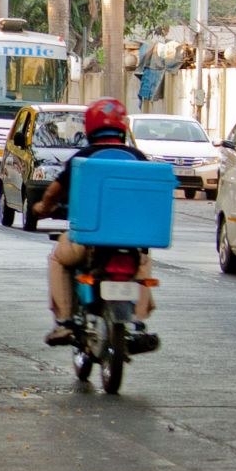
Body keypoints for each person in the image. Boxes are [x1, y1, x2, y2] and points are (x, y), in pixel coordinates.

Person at [36, 97, 156, 346]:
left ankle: (66, 322)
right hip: (131, 242)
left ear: (90, 128)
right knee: (142, 263)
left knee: (58, 258)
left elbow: (53, 193)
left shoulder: (83, 159)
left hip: (88, 242)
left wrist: (43, 207)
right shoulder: (139, 158)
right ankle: (138, 324)